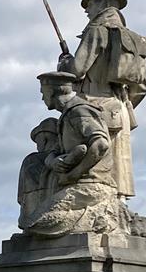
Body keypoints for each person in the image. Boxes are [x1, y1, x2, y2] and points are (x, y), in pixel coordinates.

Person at [57, 0, 146, 199]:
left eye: (90, 4)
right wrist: (123, 104)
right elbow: (141, 88)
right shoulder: (135, 41)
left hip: (91, 105)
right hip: (120, 107)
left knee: (93, 174)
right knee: (117, 173)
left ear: (105, 3)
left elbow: (77, 70)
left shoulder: (96, 30)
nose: (87, 10)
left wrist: (65, 63)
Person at [22, 71, 127, 237]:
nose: (43, 98)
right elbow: (59, 149)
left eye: (43, 93)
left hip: (89, 185)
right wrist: (52, 160)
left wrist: (74, 174)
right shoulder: (68, 113)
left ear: (52, 91)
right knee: (32, 220)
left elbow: (100, 144)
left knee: (37, 224)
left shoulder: (79, 111)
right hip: (74, 182)